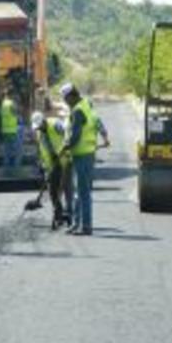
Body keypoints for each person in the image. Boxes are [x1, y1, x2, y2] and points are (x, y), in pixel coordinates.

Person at [59, 83, 100, 236]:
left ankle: (86, 226)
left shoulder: (78, 111)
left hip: (82, 155)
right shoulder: (84, 104)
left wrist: (65, 146)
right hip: (86, 154)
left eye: (65, 99)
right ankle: (77, 224)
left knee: (83, 193)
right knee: (79, 192)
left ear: (71, 96)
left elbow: (75, 136)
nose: (64, 102)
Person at [31, 111, 70, 230]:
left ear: (44, 120)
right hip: (51, 165)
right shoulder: (38, 132)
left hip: (64, 161)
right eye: (37, 127)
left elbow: (67, 137)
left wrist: (64, 152)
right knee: (52, 191)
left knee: (66, 190)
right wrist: (42, 165)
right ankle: (59, 215)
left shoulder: (55, 124)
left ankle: (70, 215)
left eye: (40, 126)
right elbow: (41, 149)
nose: (39, 128)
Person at [0, 89, 22, 176]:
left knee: (7, 151)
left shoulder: (3, 103)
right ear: (11, 94)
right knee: (15, 151)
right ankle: (14, 171)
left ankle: (6, 171)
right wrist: (18, 104)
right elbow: (17, 112)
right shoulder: (11, 104)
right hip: (12, 130)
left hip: (5, 130)